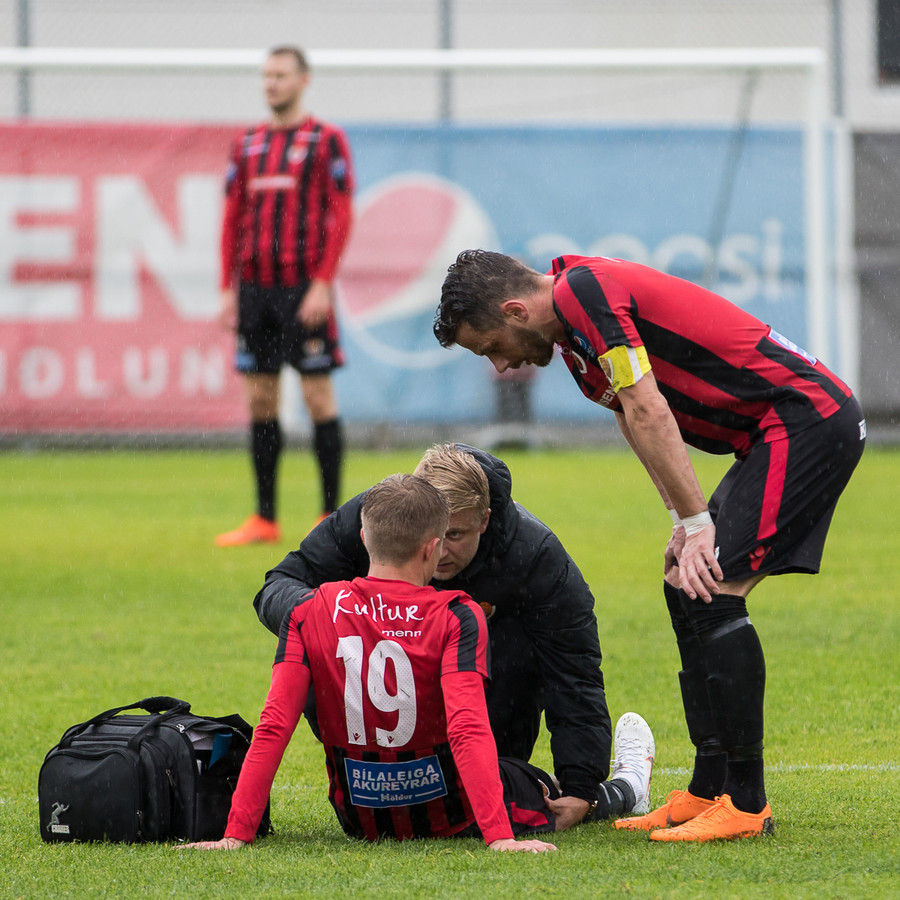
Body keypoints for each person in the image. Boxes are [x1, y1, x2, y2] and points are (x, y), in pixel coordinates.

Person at [433, 250, 866, 842]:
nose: (502, 366)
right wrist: (682, 520)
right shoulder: (573, 334)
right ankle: (707, 791)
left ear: (514, 311)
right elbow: (630, 416)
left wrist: (698, 521)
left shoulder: (582, 293)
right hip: (772, 431)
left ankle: (747, 803)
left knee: (713, 591)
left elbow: (646, 403)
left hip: (806, 419)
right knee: (685, 587)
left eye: (491, 347)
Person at [255, 443, 655, 829]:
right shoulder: (378, 515)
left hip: (485, 729)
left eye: (456, 535)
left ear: (484, 520)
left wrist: (582, 785)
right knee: (319, 633)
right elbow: (280, 585)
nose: (438, 550)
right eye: (433, 535)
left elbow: (574, 671)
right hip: (372, 752)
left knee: (532, 792)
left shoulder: (535, 556)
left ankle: (623, 789)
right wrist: (335, 616)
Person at [181, 475, 578, 851]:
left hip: (362, 819)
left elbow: (274, 726)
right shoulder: (458, 614)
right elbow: (467, 728)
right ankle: (610, 792)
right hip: (452, 816)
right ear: (432, 548)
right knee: (536, 782)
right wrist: (500, 838)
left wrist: (235, 834)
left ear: (364, 538)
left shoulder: (308, 610)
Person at [215, 45, 354, 547]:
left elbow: (341, 214)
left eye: (280, 75)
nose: (271, 83)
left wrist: (323, 283)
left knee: (317, 396)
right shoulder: (247, 143)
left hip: (303, 287)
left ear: (303, 80)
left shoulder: (325, 139)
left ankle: (330, 516)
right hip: (255, 290)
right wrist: (227, 288)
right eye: (266, 75)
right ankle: (265, 518)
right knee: (260, 399)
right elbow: (233, 217)